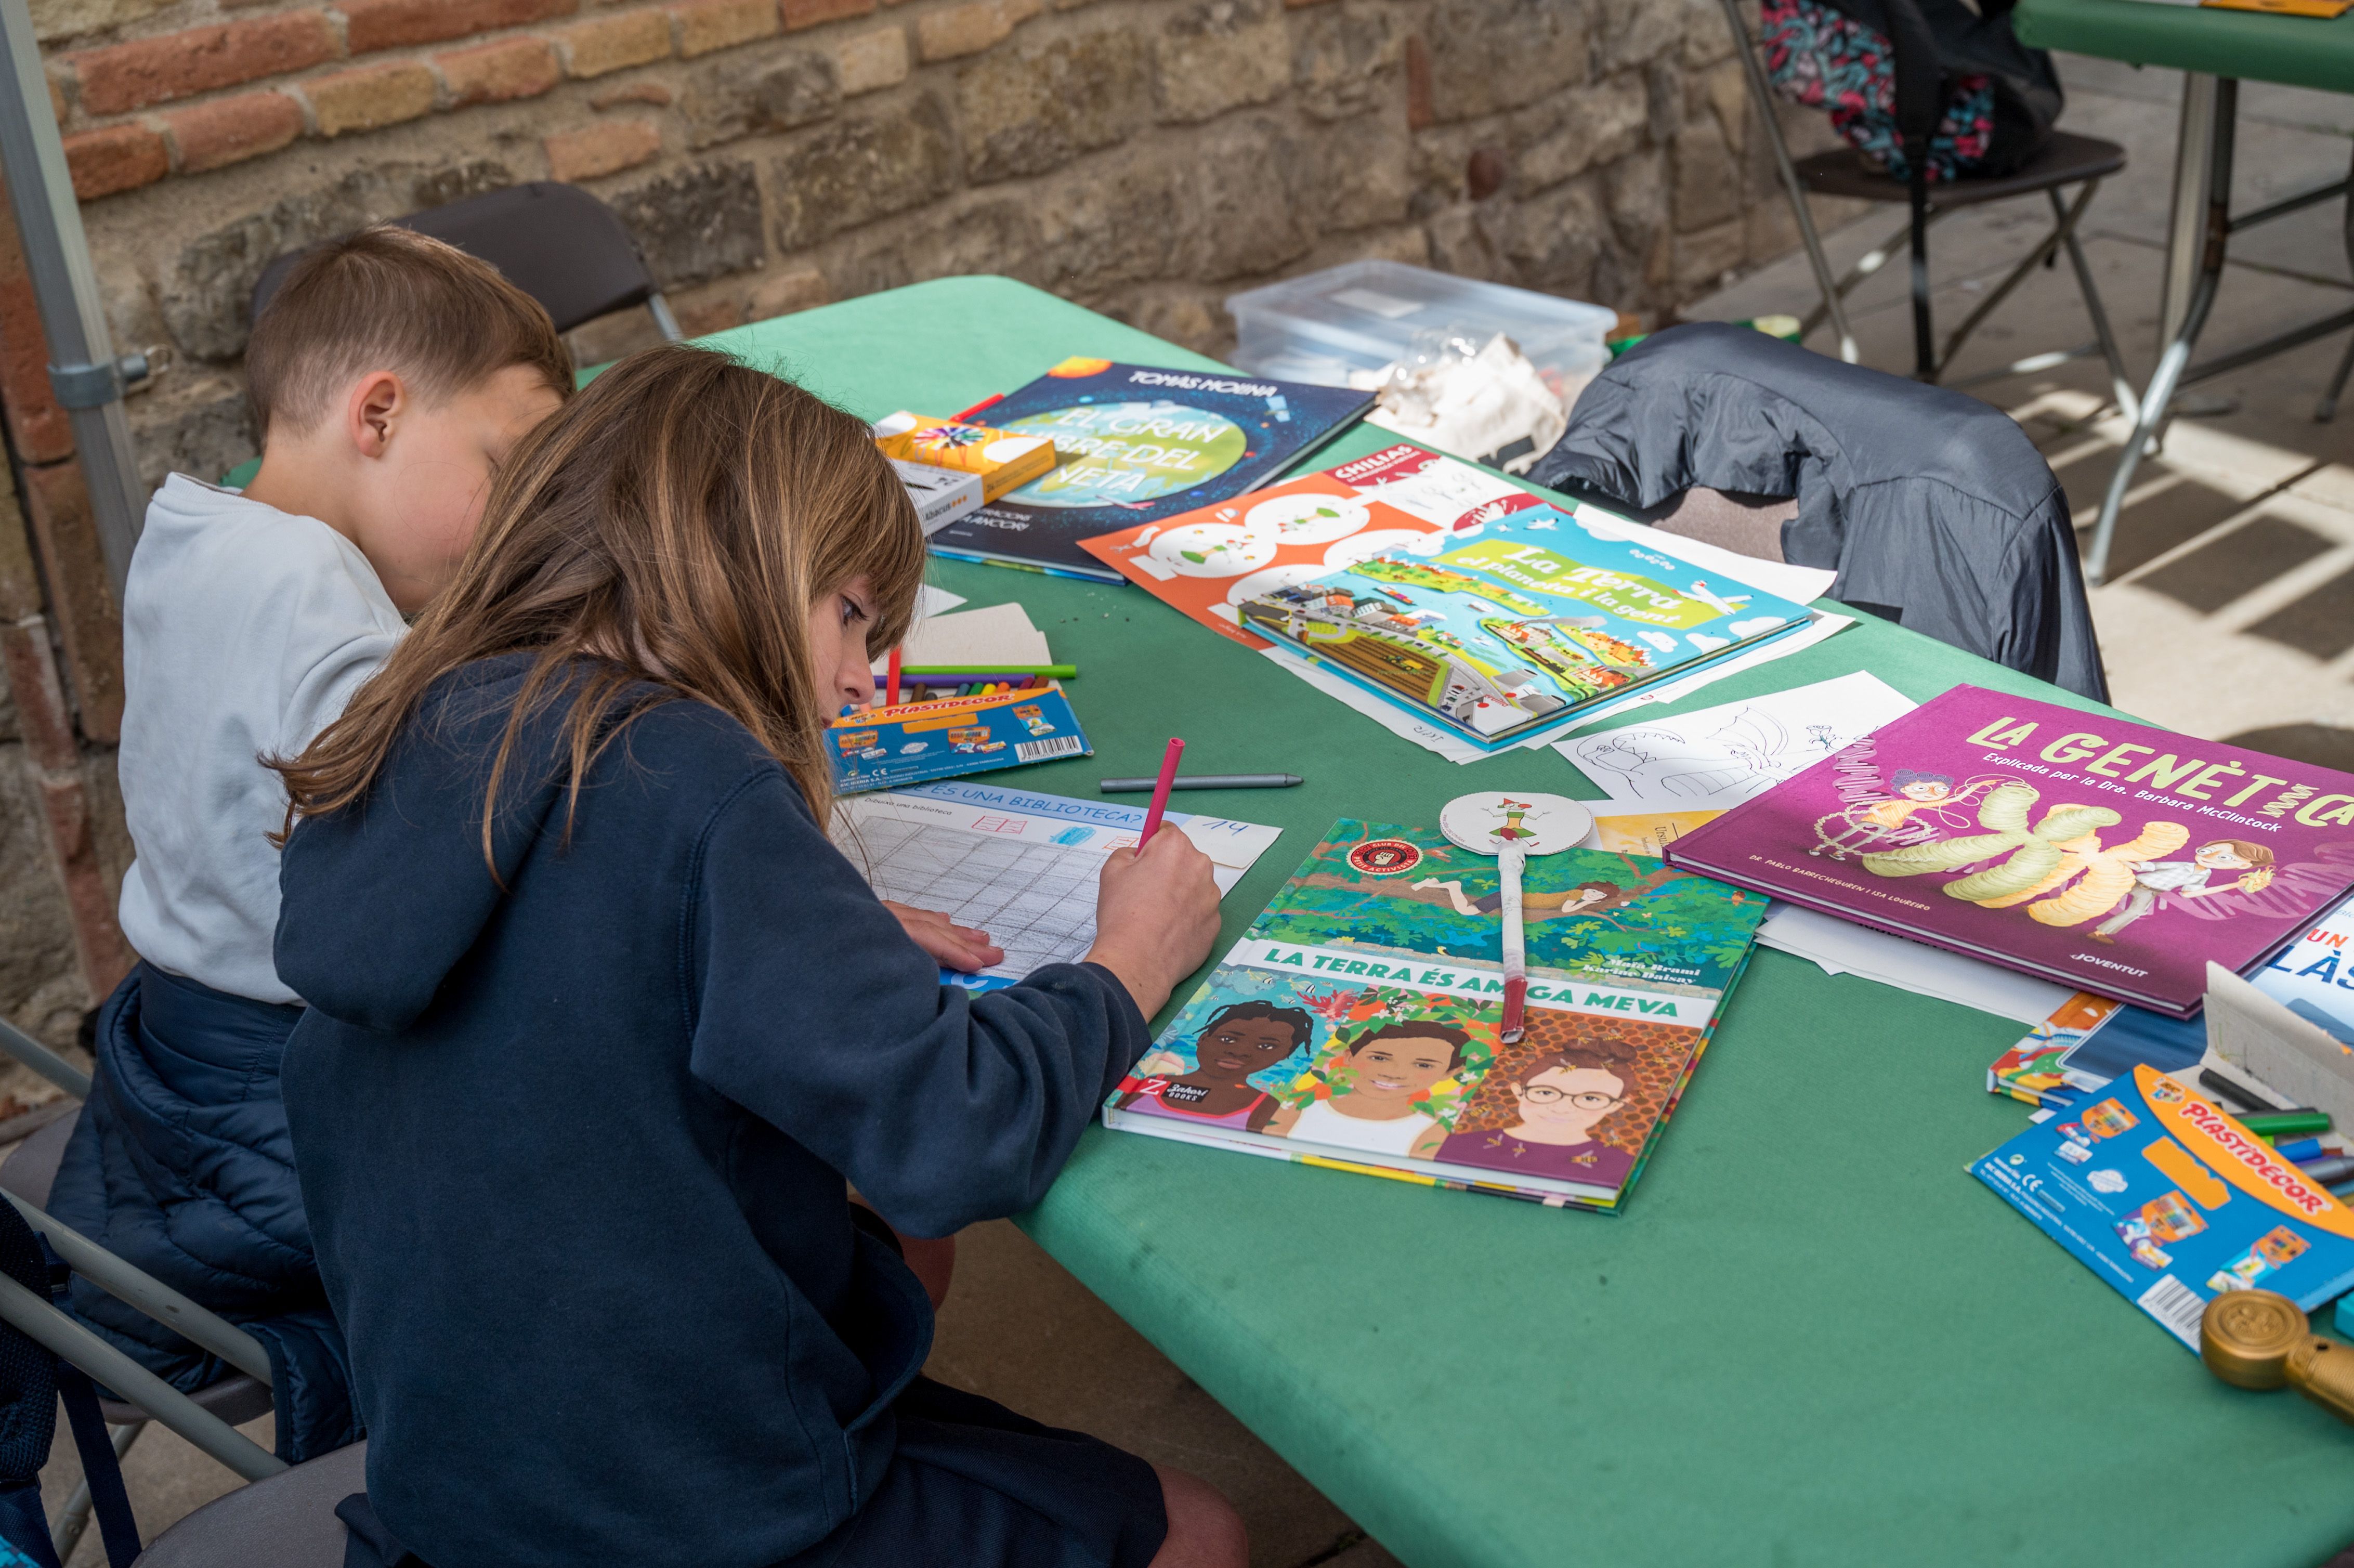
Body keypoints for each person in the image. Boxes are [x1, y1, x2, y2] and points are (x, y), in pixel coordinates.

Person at [267, 345, 1247, 1568]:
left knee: (895, 1260)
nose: (854, 679)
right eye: (848, 612)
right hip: (689, 1507)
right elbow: (952, 1134)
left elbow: (581, 945)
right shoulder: (694, 784)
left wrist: (791, 931)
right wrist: (1123, 963)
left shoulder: (416, 720)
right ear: (724, 552)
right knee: (1194, 1533)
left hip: (458, 1482)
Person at [45, 225, 574, 1459]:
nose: (517, 533)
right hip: (283, 1108)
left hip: (168, 1060)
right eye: (507, 472)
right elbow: (452, 849)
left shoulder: (195, 534)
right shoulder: (320, 603)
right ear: (377, 414)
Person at [1434, 1040, 1640, 1188]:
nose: (1562, 1108)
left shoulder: (1620, 1165)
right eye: (1546, 1093)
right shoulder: (1459, 1146)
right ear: (1519, 1092)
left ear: (1617, 1105)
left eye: (1591, 1099)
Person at [1263, 1021, 1468, 1158]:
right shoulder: (1297, 1105)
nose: (1394, 1073)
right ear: (1349, 1057)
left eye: (1423, 1065)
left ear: (1450, 1072)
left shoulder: (1436, 1130)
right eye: (1379, 1058)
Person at [1118, 1000, 1311, 1133]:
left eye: (1266, 1046)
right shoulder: (1149, 1085)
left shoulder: (1266, 1105)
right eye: (1228, 1039)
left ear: (1284, 1055)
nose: (1239, 1052)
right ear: (1203, 1038)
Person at [2090, 839, 2274, 944]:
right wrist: (2118, 860)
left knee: (2138, 911)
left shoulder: (2202, 876)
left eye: (2224, 858)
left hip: (2152, 891)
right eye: (2206, 851)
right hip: (2132, 882)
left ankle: (2100, 933)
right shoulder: (2183, 865)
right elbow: (2149, 866)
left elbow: (2188, 894)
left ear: (2242, 866)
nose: (2209, 857)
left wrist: (2234, 886)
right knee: (2099, 895)